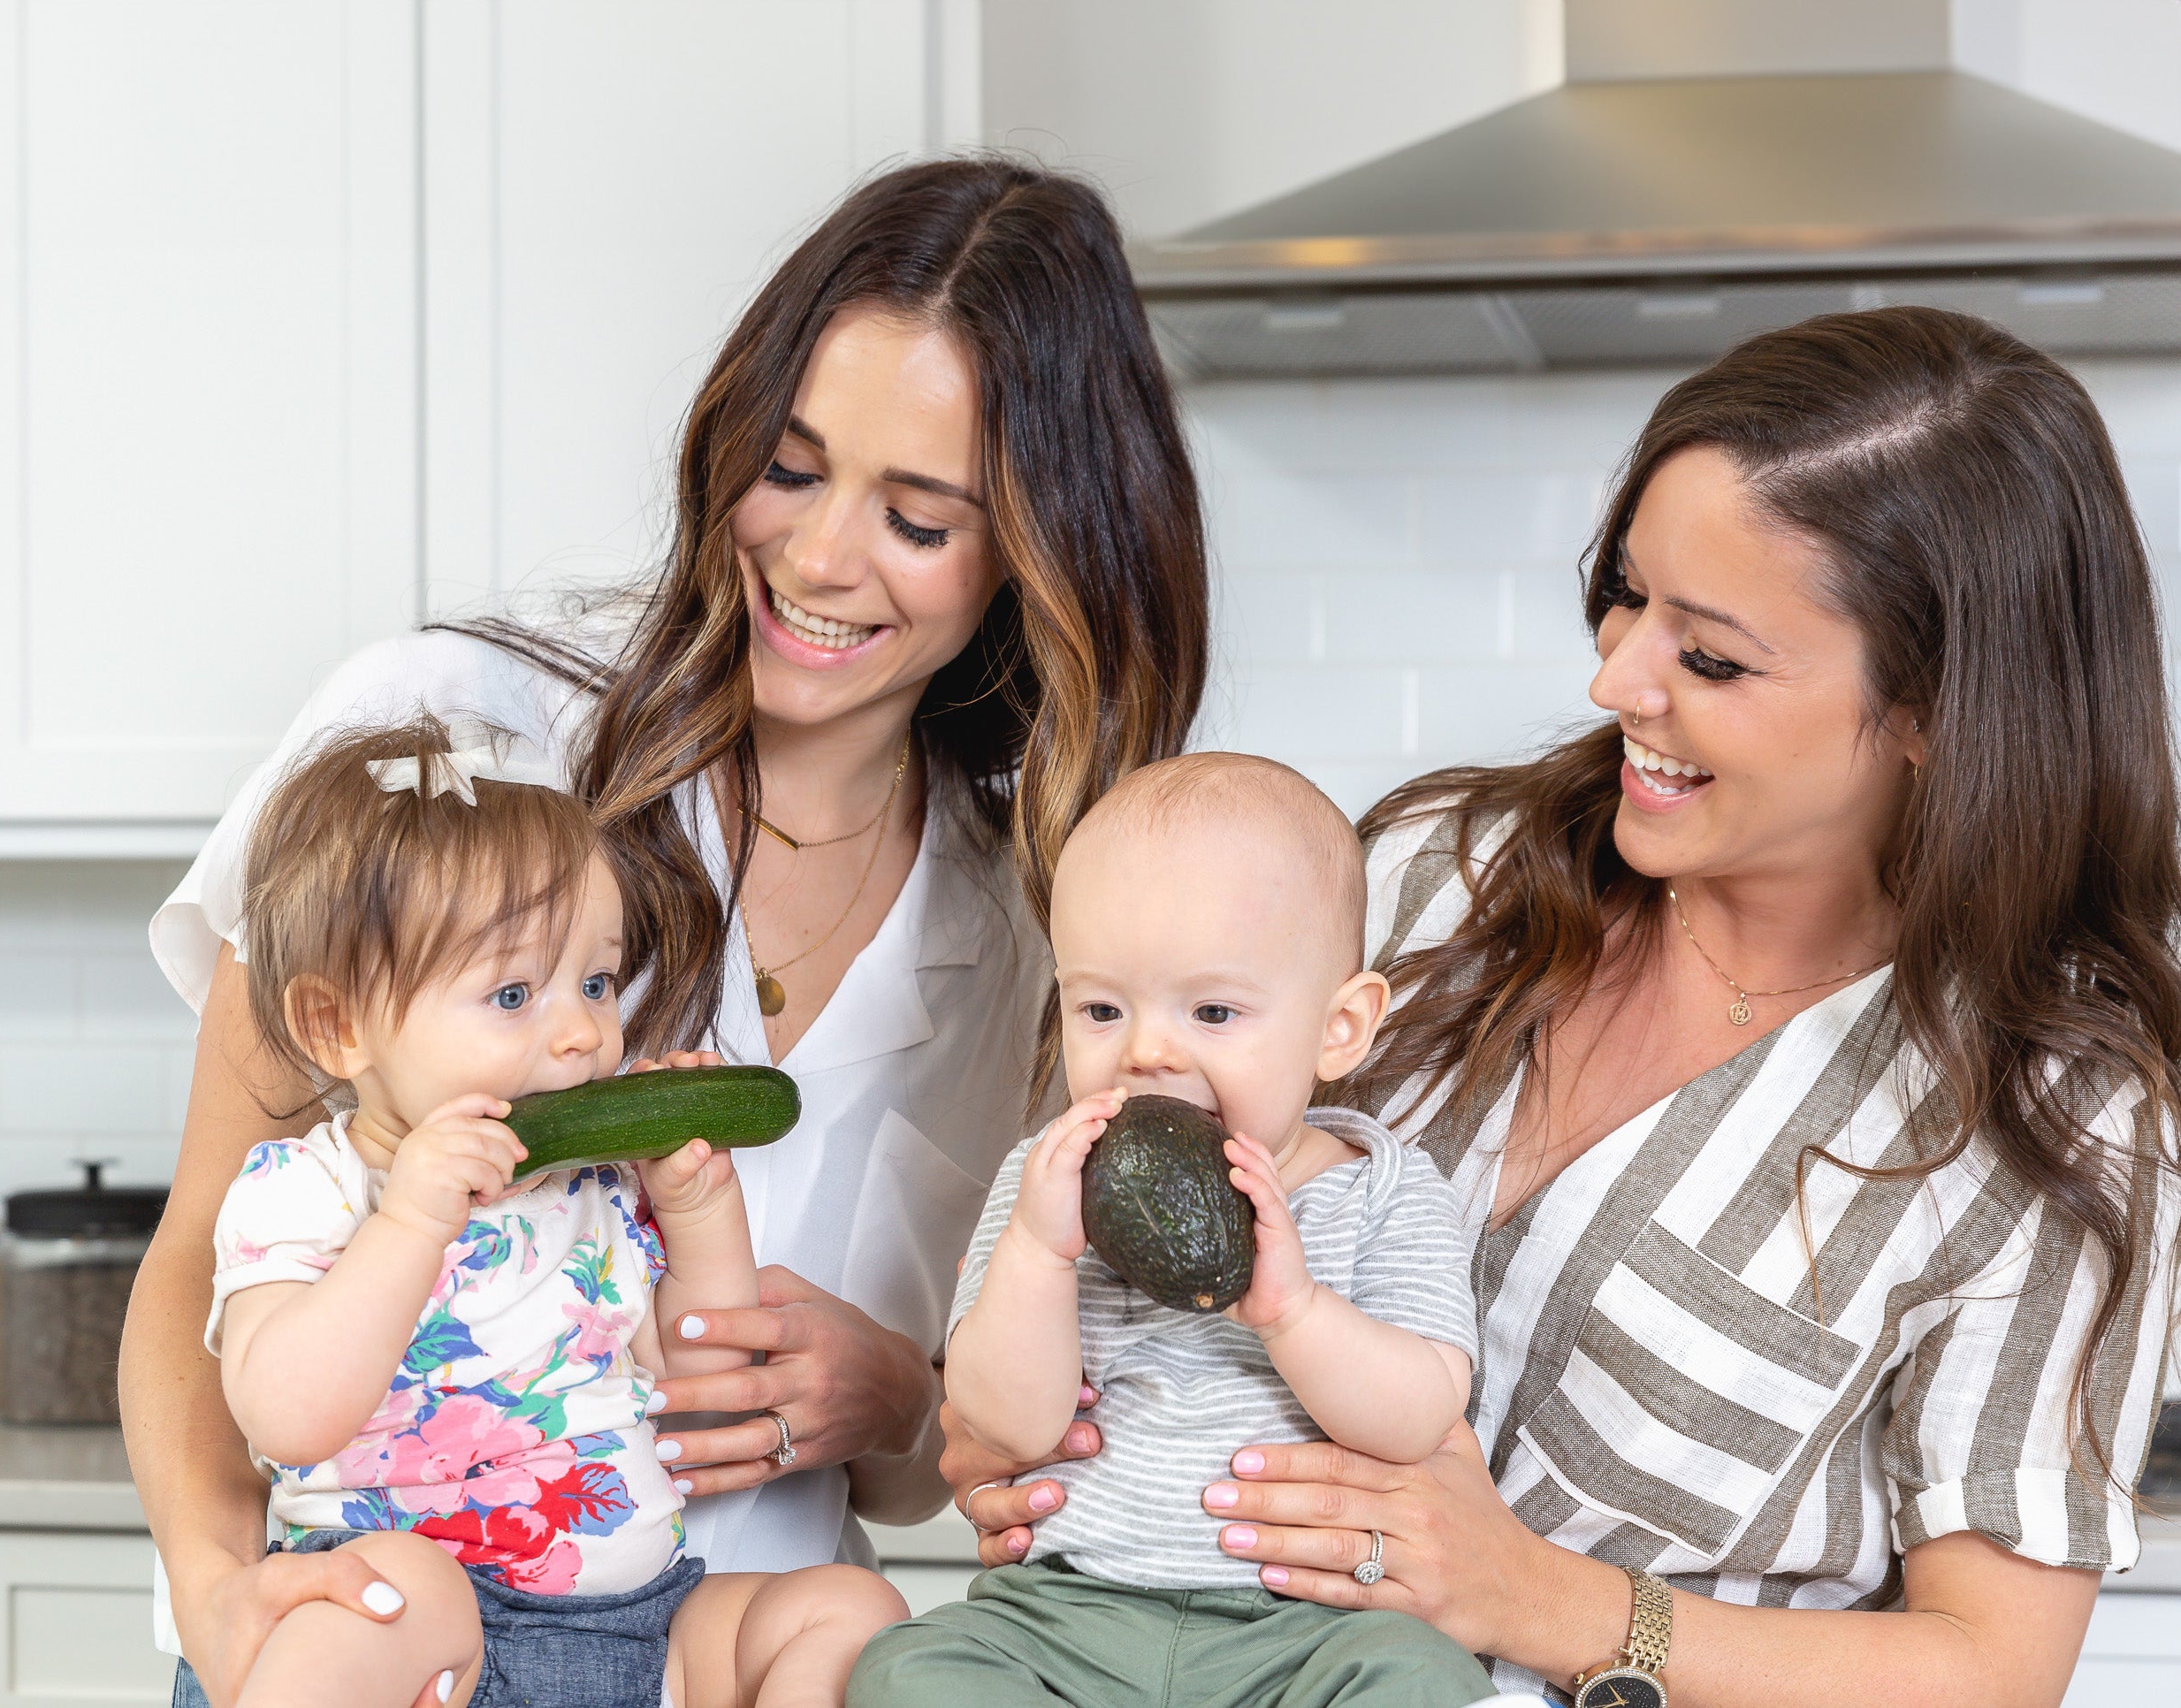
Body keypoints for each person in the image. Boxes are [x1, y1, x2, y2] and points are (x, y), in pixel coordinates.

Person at [948, 306, 2181, 1706]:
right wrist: (1033, 1457)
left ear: (1934, 712)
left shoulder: (2056, 1121)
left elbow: (1990, 1669)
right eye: (1624, 593)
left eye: (1709, 657)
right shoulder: (1434, 884)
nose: (1616, 679)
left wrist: (1549, 1603)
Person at [126, 154, 1209, 1707]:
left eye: (917, 517)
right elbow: (195, 1261)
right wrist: (227, 1601)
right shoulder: (451, 732)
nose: (823, 556)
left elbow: (922, 1474)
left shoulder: (1042, 927)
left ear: (1043, 551)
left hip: (703, 1650)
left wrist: (893, 1391)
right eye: (791, 464)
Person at [208, 716, 901, 1708]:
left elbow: (702, 1390)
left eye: (596, 981)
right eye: (514, 992)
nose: (582, 1033)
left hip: (643, 1625)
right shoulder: (303, 1190)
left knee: (850, 1611)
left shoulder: (595, 1187)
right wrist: (410, 1223)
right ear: (338, 1024)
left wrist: (697, 1205)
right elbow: (287, 1413)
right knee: (377, 1601)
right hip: (429, 1641)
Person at [852, 754, 1493, 1706]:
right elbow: (1008, 1424)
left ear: (1340, 1027)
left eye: (1213, 1010)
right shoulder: (1045, 1188)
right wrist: (1036, 1253)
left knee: (1421, 1681)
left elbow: (1420, 1418)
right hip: (1066, 1615)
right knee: (908, 1667)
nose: (1147, 1050)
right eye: (1102, 1008)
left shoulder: (1385, 1191)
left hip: (1309, 1632)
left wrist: (1295, 1314)